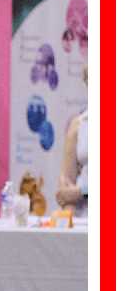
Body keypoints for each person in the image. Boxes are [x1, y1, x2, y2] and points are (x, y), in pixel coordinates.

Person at [56, 69, 89, 213]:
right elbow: (67, 181)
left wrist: (83, 191)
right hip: (84, 218)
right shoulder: (78, 124)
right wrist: (68, 220)